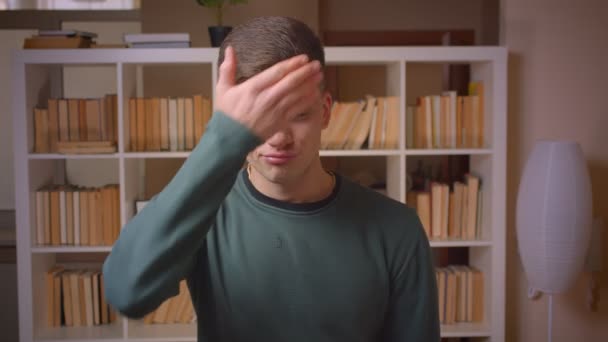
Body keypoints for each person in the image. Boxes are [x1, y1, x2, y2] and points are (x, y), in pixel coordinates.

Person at [103, 16, 439, 342]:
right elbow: (127, 291)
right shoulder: (204, 217)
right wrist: (224, 137)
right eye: (260, 119)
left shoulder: (397, 228)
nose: (278, 138)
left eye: (298, 115)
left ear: (324, 111)